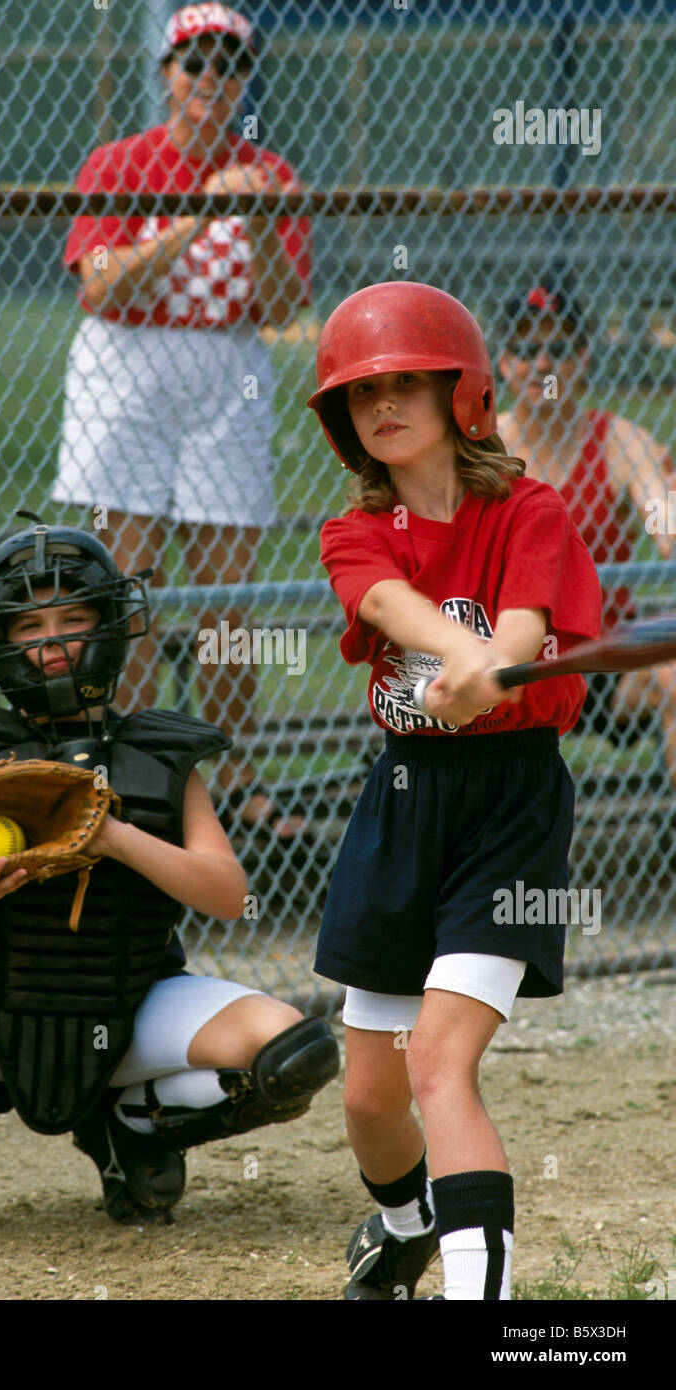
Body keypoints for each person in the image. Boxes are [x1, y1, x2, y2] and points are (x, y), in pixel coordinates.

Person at [0, 517, 338, 1239]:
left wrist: (112, 836)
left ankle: (132, 1128)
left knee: (294, 1053)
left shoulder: (159, 753)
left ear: (109, 625)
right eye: (29, 624)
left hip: (132, 1004)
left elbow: (227, 894)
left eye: (73, 618)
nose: (53, 639)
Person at [306, 281, 602, 1301]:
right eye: (361, 393)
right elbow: (382, 599)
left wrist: (495, 663)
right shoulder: (353, 530)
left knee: (438, 1061)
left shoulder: (531, 507)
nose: (381, 405)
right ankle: (404, 1223)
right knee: (368, 1100)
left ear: (460, 393)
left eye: (405, 384)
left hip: (510, 805)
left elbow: (527, 624)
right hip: (402, 801)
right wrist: (453, 652)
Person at [52, 3, 312, 841]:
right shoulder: (120, 164)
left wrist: (262, 220)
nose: (211, 81)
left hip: (224, 367)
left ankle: (232, 771)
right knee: (126, 590)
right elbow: (101, 287)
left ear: (245, 80)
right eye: (194, 64)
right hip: (124, 367)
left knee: (224, 599)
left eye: (229, 66)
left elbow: (279, 305)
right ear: (166, 74)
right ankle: (132, 767)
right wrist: (201, 214)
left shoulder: (270, 173)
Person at [497, 283, 676, 778]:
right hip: (512, 653)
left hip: (605, 657)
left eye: (558, 349)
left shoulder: (617, 439)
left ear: (583, 358)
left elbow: (664, 523)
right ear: (505, 362)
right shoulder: (485, 447)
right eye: (527, 350)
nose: (542, 364)